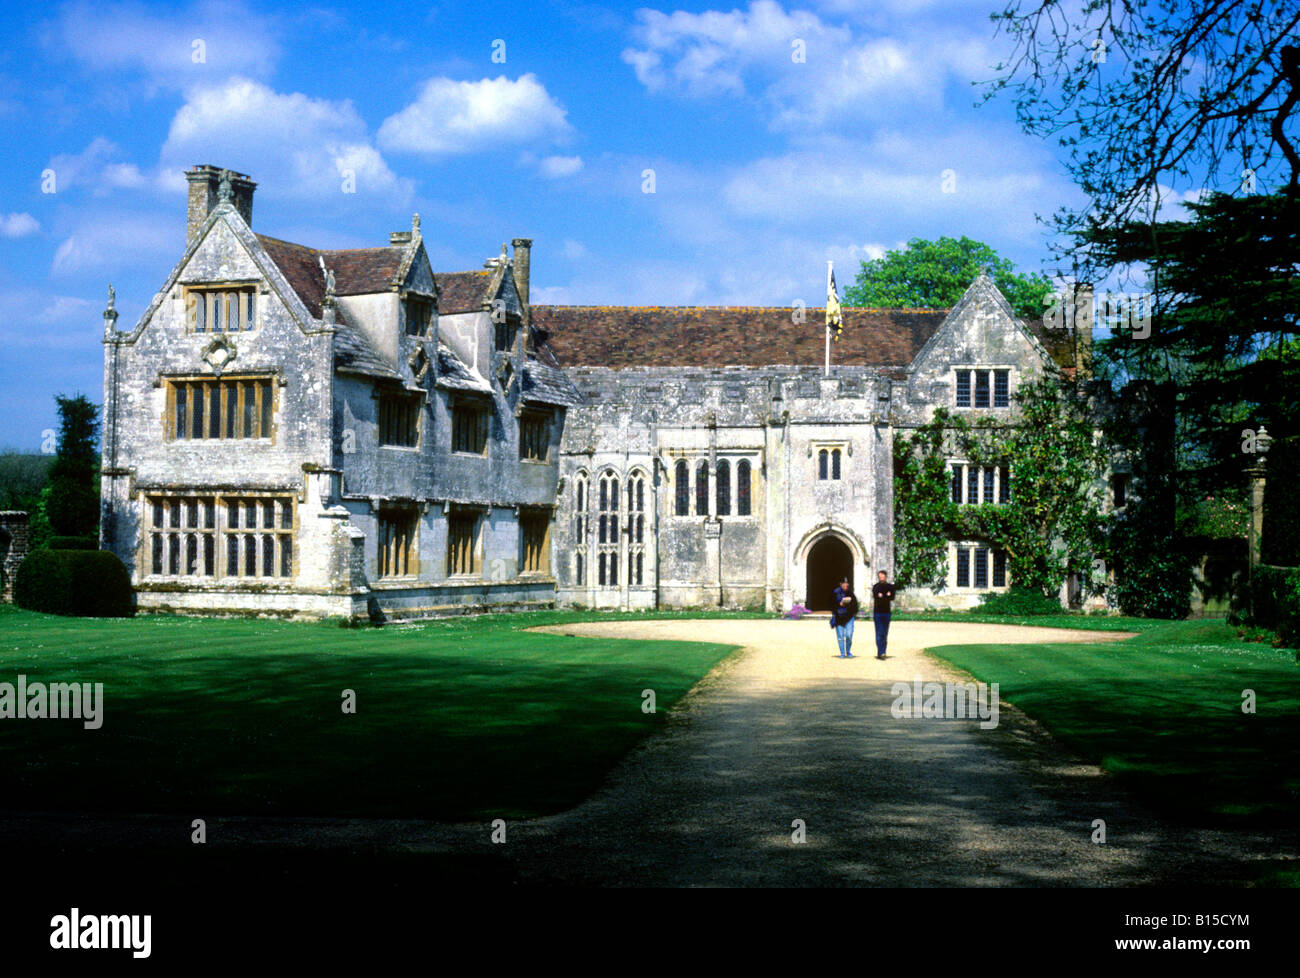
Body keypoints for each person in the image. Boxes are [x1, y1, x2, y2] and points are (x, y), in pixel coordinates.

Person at [830, 576, 859, 658]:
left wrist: (852, 611)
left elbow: (855, 604)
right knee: (840, 637)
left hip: (849, 617)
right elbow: (831, 605)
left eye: (847, 583)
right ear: (841, 584)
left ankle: (848, 651)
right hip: (839, 617)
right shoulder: (835, 593)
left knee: (849, 635)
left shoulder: (850, 593)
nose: (846, 585)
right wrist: (839, 604)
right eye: (844, 583)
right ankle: (842, 653)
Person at [871, 570, 896, 659]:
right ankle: (882, 652)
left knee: (885, 633)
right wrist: (886, 596)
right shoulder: (876, 587)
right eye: (880, 576)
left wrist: (883, 596)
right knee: (879, 633)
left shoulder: (890, 586)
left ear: (885, 577)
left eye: (883, 576)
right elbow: (876, 596)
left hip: (886, 613)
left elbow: (892, 597)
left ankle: (881, 651)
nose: (881, 578)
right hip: (878, 612)